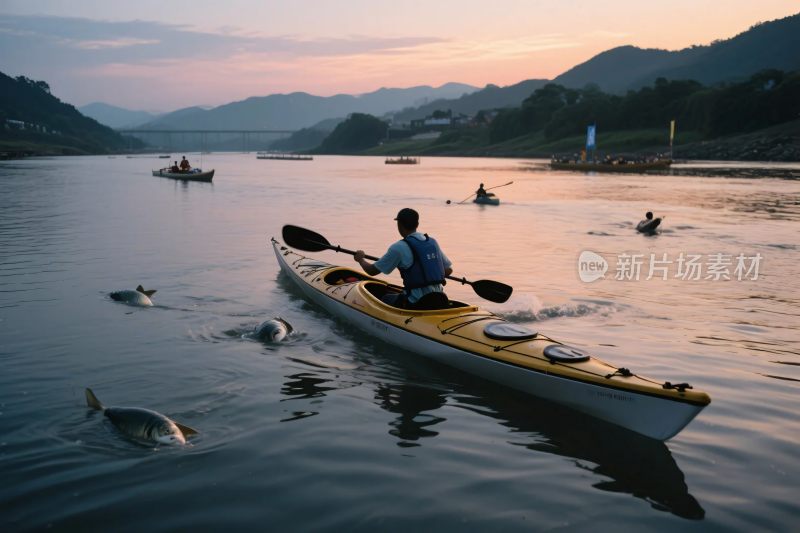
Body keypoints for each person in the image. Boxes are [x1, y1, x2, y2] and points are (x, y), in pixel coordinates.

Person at [354, 208, 453, 309]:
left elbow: (371, 271)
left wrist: (360, 259)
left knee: (385, 298)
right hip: (440, 300)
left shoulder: (398, 247)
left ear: (399, 225)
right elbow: (448, 270)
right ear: (417, 224)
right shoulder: (432, 242)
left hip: (416, 303)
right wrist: (430, 274)